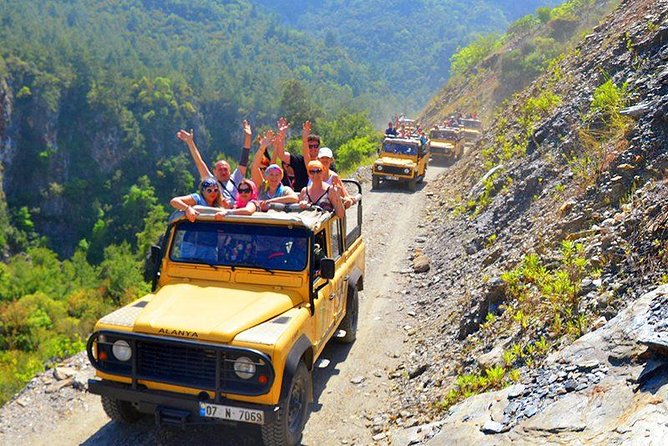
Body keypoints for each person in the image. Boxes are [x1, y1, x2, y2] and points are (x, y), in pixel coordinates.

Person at [177, 120, 253, 206]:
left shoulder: (236, 178)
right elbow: (199, 162)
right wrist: (190, 143)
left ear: (230, 170)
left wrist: (248, 137)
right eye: (220, 170)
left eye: (225, 169)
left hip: (240, 211)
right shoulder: (212, 181)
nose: (223, 172)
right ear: (214, 171)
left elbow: (244, 159)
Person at [251, 131, 299, 211]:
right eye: (271, 175)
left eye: (277, 175)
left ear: (281, 177)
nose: (274, 177)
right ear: (266, 176)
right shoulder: (262, 186)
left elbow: (294, 198)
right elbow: (255, 167)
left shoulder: (285, 190)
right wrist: (262, 147)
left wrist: (270, 201)